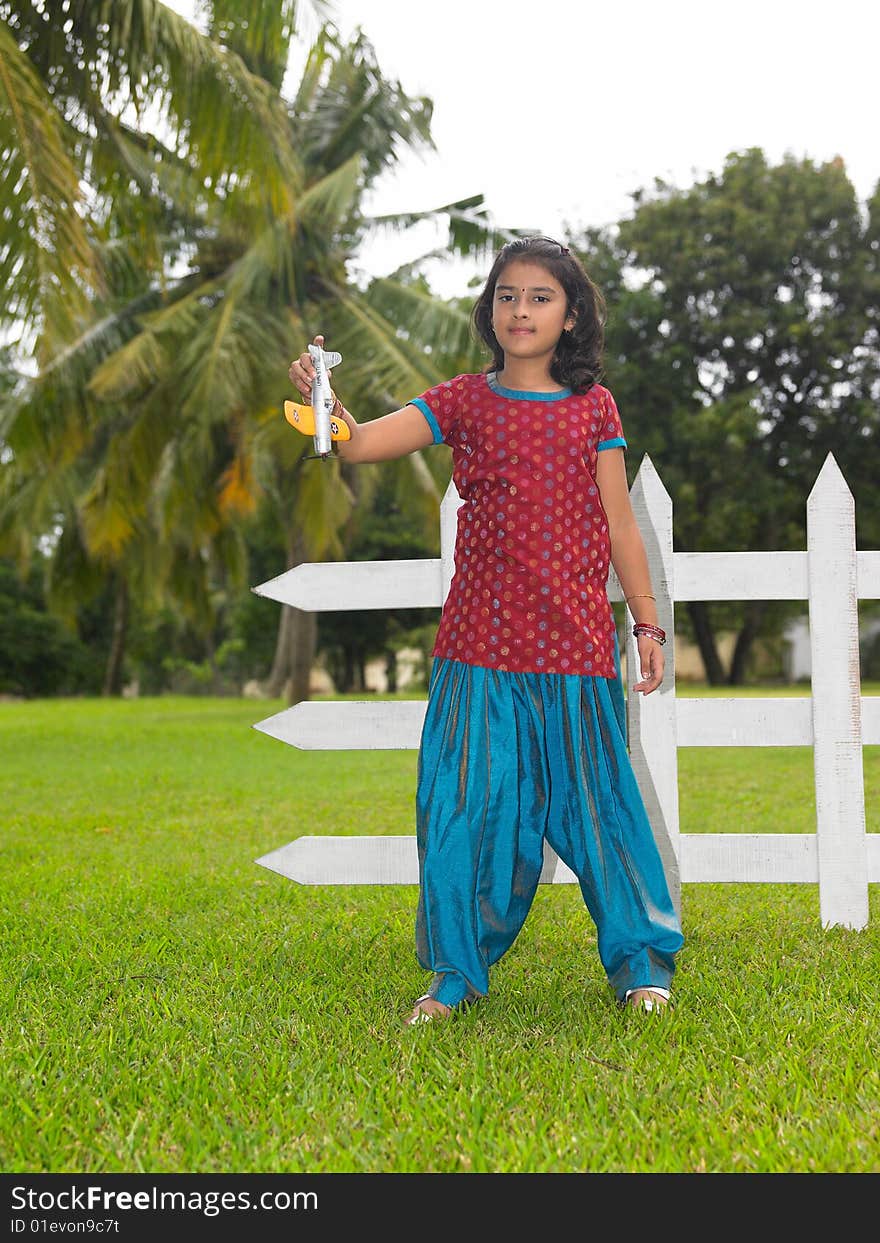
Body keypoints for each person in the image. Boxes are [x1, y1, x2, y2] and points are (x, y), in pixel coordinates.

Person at [287, 236, 684, 1024]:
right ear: (489, 309)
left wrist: (647, 621)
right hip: (479, 650)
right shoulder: (464, 400)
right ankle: (455, 975)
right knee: (466, 811)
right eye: (507, 295)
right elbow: (362, 443)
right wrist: (328, 407)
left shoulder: (593, 407)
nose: (521, 310)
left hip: (572, 648)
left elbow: (620, 526)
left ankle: (642, 964)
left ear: (571, 317)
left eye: (540, 297)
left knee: (601, 808)